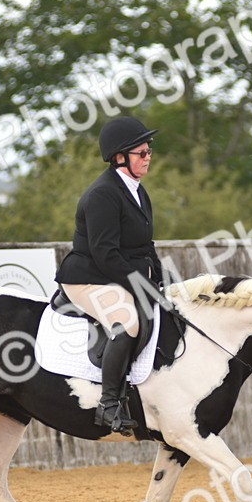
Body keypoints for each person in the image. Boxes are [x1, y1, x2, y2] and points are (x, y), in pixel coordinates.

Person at [55, 116, 163, 432]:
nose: (147, 157)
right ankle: (109, 404)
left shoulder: (138, 191)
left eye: (149, 151)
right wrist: (141, 284)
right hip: (87, 277)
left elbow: (146, 243)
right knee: (127, 322)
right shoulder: (103, 194)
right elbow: (106, 254)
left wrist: (159, 278)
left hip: (112, 274)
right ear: (119, 157)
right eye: (140, 153)